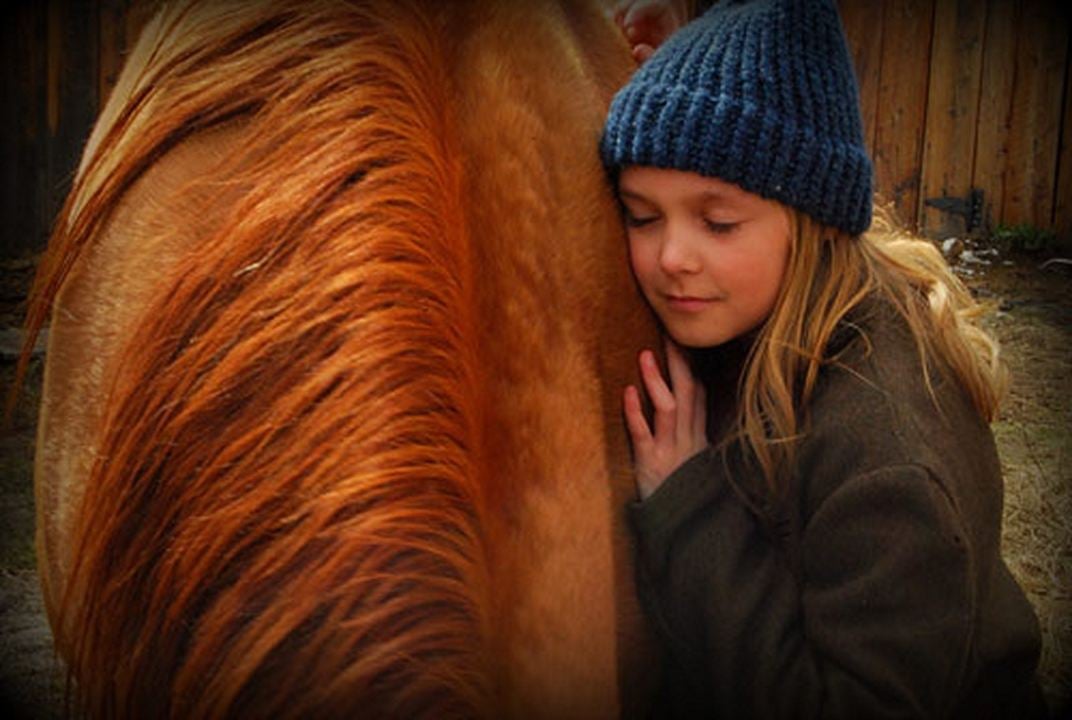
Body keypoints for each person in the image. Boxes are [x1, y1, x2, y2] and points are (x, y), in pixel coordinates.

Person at [600, 0, 1046, 717]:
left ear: (811, 220)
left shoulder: (886, 449)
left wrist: (688, 507)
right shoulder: (752, 313)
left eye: (718, 221)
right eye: (641, 215)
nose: (672, 258)